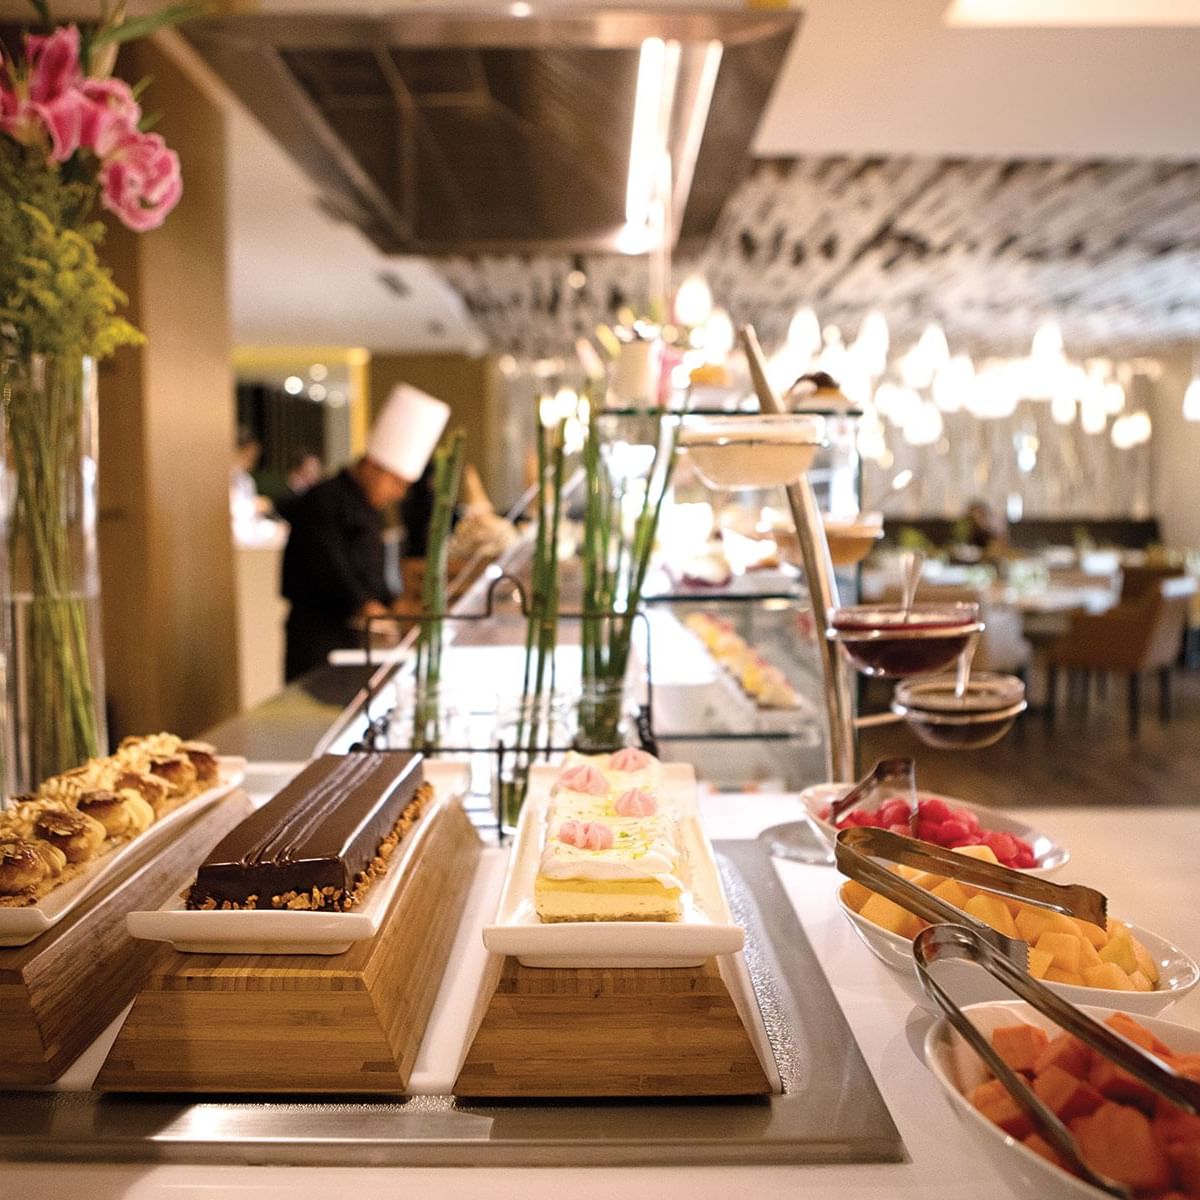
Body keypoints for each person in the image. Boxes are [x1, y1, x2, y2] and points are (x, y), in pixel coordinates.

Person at [281, 385, 450, 681]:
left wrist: (393, 604)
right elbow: (330, 567)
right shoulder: (323, 500)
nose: (398, 493)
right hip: (318, 636)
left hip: (359, 639)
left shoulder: (370, 508)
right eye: (395, 482)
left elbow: (371, 571)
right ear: (373, 466)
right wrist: (366, 606)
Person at [274, 448, 324, 523]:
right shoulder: (286, 496)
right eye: (312, 469)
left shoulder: (316, 493)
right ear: (298, 469)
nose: (316, 474)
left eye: (317, 469)